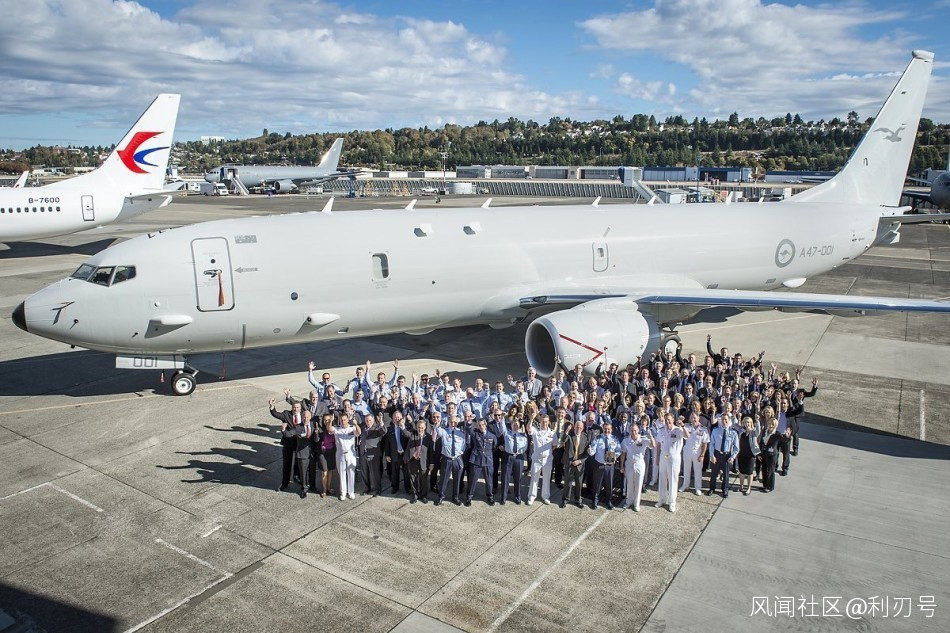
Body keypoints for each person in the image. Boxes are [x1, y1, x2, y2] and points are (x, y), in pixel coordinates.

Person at [656, 413, 689, 512]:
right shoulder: (661, 430)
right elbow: (658, 444)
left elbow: (687, 436)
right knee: (662, 479)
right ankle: (662, 499)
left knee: (673, 480)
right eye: (666, 420)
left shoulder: (678, 430)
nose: (667, 422)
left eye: (669, 420)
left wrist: (682, 425)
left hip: (673, 458)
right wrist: (657, 457)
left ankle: (672, 502)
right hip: (663, 456)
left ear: (673, 419)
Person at [269, 397, 302, 493]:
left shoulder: (304, 415)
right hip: (288, 443)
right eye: (294, 407)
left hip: (299, 444)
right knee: (287, 464)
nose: (295, 409)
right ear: (292, 408)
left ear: (300, 408)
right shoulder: (287, 414)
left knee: (298, 462)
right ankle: (284, 483)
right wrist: (272, 407)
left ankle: (297, 477)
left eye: (297, 407)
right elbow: (276, 414)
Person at [588, 421, 621, 509]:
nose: (607, 431)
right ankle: (595, 501)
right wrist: (590, 451)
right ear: (603, 429)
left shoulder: (615, 439)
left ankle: (609, 501)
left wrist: (615, 457)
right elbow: (593, 450)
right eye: (605, 429)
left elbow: (618, 450)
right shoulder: (597, 438)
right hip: (599, 464)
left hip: (609, 465)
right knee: (597, 484)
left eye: (608, 429)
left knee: (609, 484)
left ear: (611, 429)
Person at [619, 424, 653, 511]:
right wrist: (621, 466)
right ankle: (628, 502)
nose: (633, 432)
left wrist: (651, 436)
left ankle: (636, 504)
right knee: (629, 484)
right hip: (629, 463)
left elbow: (653, 445)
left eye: (635, 430)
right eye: (632, 430)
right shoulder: (626, 440)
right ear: (629, 431)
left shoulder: (643, 439)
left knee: (638, 484)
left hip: (639, 464)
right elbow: (623, 453)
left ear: (638, 430)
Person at [436, 416, 466, 506]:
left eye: (455, 422)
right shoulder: (444, 431)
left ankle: (455, 497)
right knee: (444, 479)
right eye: (451, 422)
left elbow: (463, 446)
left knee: (457, 479)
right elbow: (438, 430)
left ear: (457, 423)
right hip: (447, 459)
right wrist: (437, 423)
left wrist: (459, 454)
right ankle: (441, 497)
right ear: (448, 422)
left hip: (457, 459)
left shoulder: (461, 433)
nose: (453, 424)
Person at [465, 418, 497, 506]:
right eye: (479, 425)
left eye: (483, 424)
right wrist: (469, 422)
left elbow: (494, 446)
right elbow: (468, 429)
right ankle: (469, 497)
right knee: (472, 479)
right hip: (476, 459)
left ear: (486, 425)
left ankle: (490, 496)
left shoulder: (492, 435)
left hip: (487, 460)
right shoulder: (475, 433)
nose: (481, 426)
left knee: (489, 480)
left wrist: (487, 454)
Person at [527, 415, 556, 505]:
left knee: (546, 479)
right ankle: (532, 496)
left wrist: (548, 452)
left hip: (547, 460)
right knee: (534, 478)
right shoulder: (536, 431)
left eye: (546, 421)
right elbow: (528, 429)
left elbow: (555, 445)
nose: (544, 423)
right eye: (543, 421)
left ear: (548, 422)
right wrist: (531, 418)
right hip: (537, 459)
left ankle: (545, 496)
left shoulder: (552, 433)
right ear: (540, 422)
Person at [330, 413, 361, 500]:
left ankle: (351, 492)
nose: (343, 422)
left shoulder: (352, 428)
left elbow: (359, 432)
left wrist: (356, 424)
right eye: (341, 420)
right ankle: (343, 492)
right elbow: (329, 429)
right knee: (342, 474)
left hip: (350, 454)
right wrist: (330, 421)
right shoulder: (337, 429)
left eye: (344, 420)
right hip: (340, 454)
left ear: (348, 420)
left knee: (351, 473)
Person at [707, 414, 739, 497]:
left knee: (726, 474)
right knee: (714, 473)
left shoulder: (733, 432)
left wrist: (732, 457)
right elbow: (712, 444)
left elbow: (736, 447)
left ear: (729, 420)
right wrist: (712, 455)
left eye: (726, 419)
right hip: (717, 454)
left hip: (727, 455)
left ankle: (725, 489)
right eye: (722, 419)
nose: (724, 421)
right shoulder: (715, 430)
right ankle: (712, 488)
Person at [498, 419, 529, 504]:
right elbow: (502, 426)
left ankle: (517, 496)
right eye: (514, 425)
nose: (515, 426)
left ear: (519, 426)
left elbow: (525, 447)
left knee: (518, 478)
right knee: (505, 477)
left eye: (517, 425)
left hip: (519, 457)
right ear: (511, 426)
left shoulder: (523, 436)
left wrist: (519, 452)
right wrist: (502, 418)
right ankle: (503, 497)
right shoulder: (507, 434)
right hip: (508, 456)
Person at [561, 421, 589, 508]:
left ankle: (578, 500)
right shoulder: (570, 435)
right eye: (577, 427)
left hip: (579, 464)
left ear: (582, 428)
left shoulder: (585, 438)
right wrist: (567, 431)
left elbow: (587, 453)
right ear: (574, 427)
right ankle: (565, 499)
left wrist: (580, 461)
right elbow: (563, 439)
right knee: (568, 483)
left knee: (579, 483)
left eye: (580, 428)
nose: (578, 429)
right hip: (570, 463)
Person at [679, 412, 708, 495]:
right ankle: (685, 485)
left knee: (698, 471)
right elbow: (684, 434)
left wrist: (702, 455)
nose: (693, 419)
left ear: (699, 418)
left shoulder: (703, 429)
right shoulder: (687, 426)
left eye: (695, 418)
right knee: (686, 469)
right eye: (692, 418)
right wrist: (681, 423)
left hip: (697, 451)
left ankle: (698, 488)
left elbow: (705, 443)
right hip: (687, 451)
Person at [359, 413, 387, 496]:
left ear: (373, 420)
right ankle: (366, 488)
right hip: (363, 453)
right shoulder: (363, 427)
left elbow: (384, 431)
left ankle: (377, 490)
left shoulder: (377, 427)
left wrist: (381, 422)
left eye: (370, 420)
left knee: (374, 474)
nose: (368, 422)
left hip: (373, 454)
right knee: (364, 473)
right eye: (367, 420)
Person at [406, 419, 433, 503]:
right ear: (416, 427)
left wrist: (431, 463)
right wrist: (402, 426)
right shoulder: (412, 434)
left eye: (422, 427)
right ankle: (415, 495)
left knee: (423, 479)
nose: (420, 429)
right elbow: (406, 433)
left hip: (424, 460)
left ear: (425, 428)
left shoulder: (428, 437)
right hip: (413, 460)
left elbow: (431, 451)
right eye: (418, 427)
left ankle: (423, 496)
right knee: (413, 478)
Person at [384, 412, 410, 494]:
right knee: (395, 472)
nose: (397, 419)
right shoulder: (389, 429)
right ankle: (395, 487)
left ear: (402, 418)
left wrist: (403, 427)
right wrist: (387, 455)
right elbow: (387, 443)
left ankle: (408, 488)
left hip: (405, 454)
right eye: (395, 417)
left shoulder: (407, 427)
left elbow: (409, 437)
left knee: (406, 473)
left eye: (398, 417)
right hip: (395, 454)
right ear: (392, 419)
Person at [313, 413, 337, 497]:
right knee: (324, 471)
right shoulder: (320, 429)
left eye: (328, 420)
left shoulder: (334, 429)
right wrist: (316, 433)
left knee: (330, 471)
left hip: (331, 452)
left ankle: (329, 487)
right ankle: (324, 489)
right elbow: (316, 440)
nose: (326, 421)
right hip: (322, 453)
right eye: (325, 420)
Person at [736, 416, 760, 495]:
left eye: (748, 422)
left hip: (751, 455)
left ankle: (749, 487)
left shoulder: (754, 432)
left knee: (749, 472)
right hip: (742, 454)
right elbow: (735, 425)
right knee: (741, 471)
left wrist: (757, 421)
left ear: (751, 423)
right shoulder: (742, 431)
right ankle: (741, 486)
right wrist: (738, 417)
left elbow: (758, 430)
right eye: (745, 422)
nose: (747, 424)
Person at [759, 418, 782, 492]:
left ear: (776, 426)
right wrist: (759, 453)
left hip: (772, 455)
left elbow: (784, 440)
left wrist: (788, 436)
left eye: (773, 424)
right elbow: (761, 442)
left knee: (771, 471)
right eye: (769, 424)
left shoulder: (777, 434)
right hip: (764, 453)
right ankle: (765, 485)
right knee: (764, 469)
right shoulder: (765, 431)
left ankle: (770, 486)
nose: (771, 426)